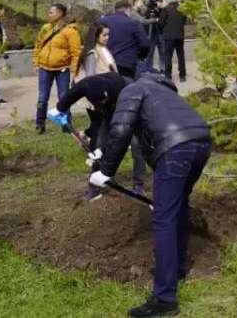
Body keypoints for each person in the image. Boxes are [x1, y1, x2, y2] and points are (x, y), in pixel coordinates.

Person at [89, 72, 212, 318]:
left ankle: (165, 299)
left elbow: (121, 130)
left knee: (164, 219)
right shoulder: (163, 90)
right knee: (177, 208)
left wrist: (105, 172)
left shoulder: (131, 90)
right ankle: (176, 269)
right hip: (201, 142)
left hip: (176, 148)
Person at [55, 71, 148, 199]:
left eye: (103, 100)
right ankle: (95, 187)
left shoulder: (124, 89)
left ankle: (138, 185)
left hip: (132, 109)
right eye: (99, 102)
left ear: (106, 94)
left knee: (137, 146)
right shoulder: (86, 87)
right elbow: (96, 117)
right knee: (98, 145)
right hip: (110, 109)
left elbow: (121, 130)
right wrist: (59, 109)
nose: (101, 103)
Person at [34, 3, 81, 134]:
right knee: (42, 98)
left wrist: (74, 71)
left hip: (62, 70)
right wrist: (36, 63)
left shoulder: (71, 31)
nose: (49, 15)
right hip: (44, 68)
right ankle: (39, 123)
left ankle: (66, 125)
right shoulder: (45, 28)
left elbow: (76, 53)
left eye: (51, 12)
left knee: (64, 97)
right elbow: (38, 45)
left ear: (60, 14)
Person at [100, 0, 151, 79]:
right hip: (126, 63)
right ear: (128, 9)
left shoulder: (102, 21)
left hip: (104, 61)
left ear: (115, 9)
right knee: (125, 88)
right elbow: (144, 44)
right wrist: (140, 56)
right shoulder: (134, 23)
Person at [157, 0, 188, 83]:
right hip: (179, 35)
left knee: (168, 56)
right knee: (181, 55)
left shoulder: (165, 10)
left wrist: (162, 31)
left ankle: (168, 75)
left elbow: (160, 23)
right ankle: (182, 75)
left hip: (168, 36)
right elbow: (184, 21)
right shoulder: (182, 9)